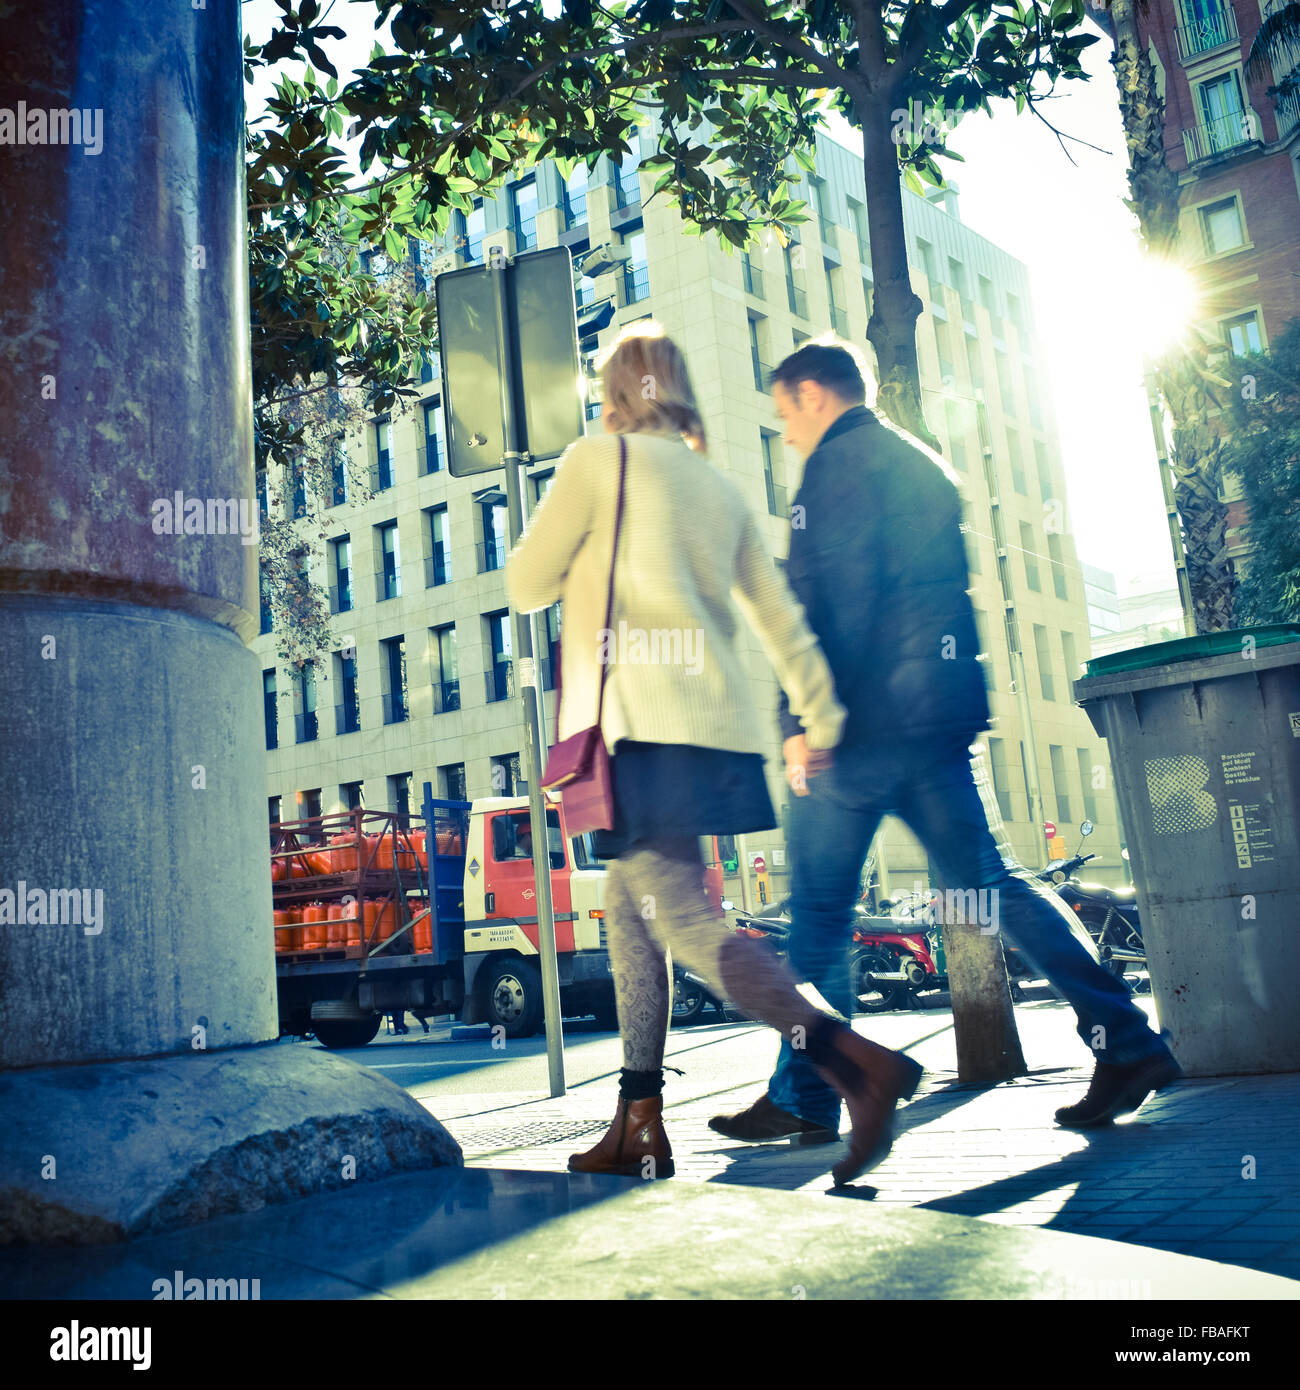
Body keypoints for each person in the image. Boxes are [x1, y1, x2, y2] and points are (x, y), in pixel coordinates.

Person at [710, 342, 1181, 1149]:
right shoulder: (923, 464)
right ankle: (1126, 1042)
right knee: (994, 888)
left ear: (817, 396)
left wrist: (804, 723)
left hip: (858, 729)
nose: (786, 433)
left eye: (786, 413)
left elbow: (831, 606)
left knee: (821, 915)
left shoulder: (834, 469)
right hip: (932, 720)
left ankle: (810, 1098)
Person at [506, 323, 924, 1185]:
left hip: (639, 732)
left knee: (686, 923)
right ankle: (638, 1121)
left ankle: (857, 1061)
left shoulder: (598, 462)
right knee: (631, 916)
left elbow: (524, 583)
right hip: (716, 741)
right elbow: (778, 614)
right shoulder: (717, 487)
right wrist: (819, 711)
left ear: (616, 391)